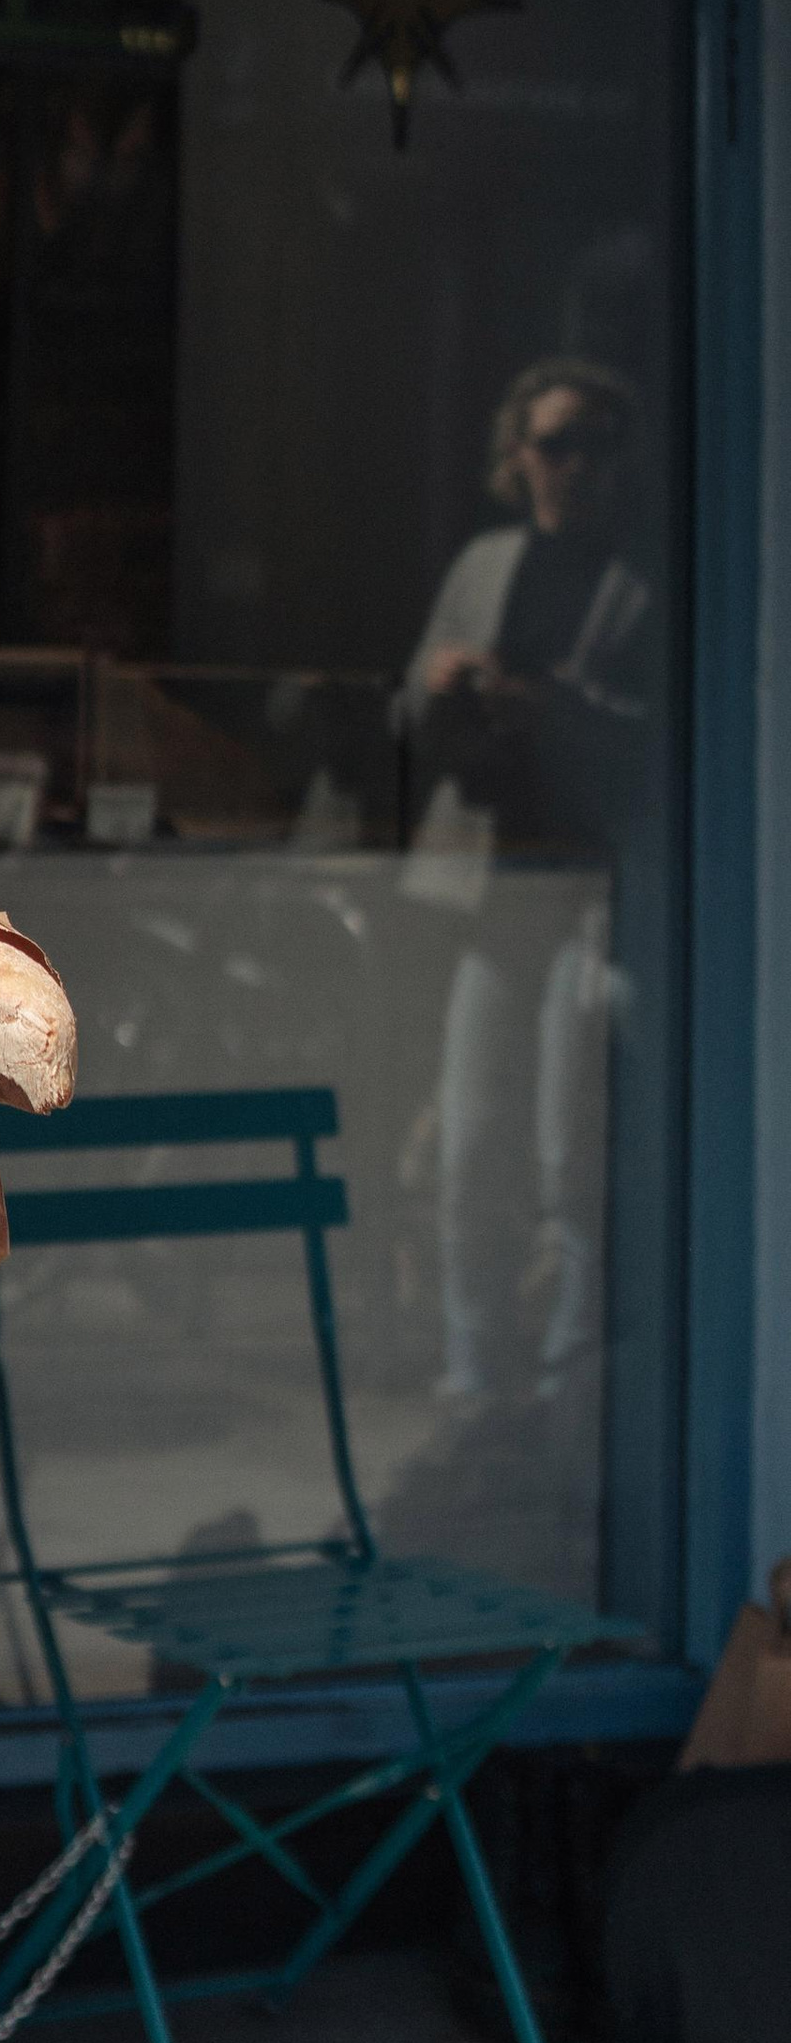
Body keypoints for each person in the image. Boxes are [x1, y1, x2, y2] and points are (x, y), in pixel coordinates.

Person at [397, 357, 649, 1414]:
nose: (573, 467)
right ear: (517, 455)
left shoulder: (639, 582)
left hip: (588, 885)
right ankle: (475, 1360)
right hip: (487, 885)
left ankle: (565, 1370)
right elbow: (406, 713)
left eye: (594, 445)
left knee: (569, 1143)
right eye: (553, 443)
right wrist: (442, 684)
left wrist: (563, 709)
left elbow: (666, 737)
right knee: (471, 1131)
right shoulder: (484, 563)